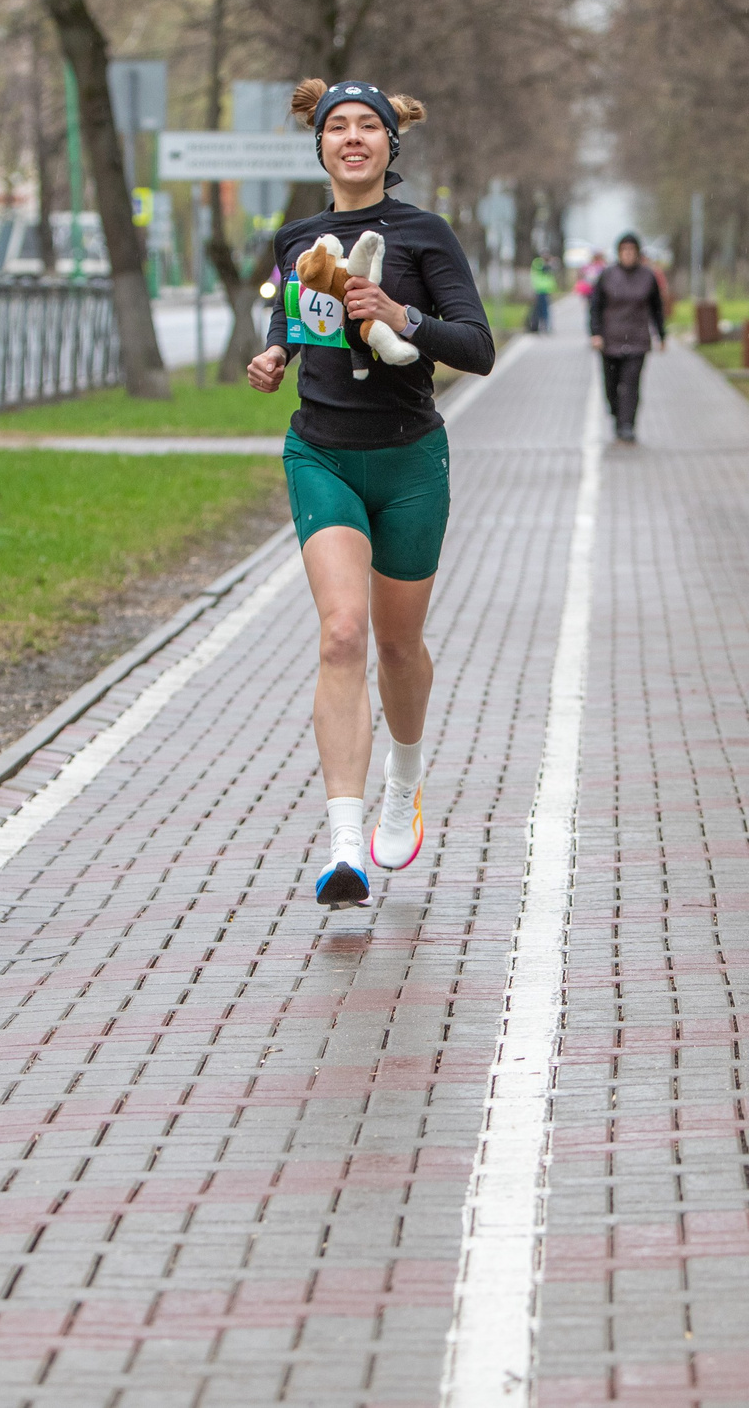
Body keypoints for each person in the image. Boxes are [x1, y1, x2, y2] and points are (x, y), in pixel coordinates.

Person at [247, 80, 495, 908]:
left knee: (397, 645)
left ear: (392, 145)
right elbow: (293, 322)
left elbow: (479, 346)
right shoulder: (297, 238)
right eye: (338, 128)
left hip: (408, 456)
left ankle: (405, 778)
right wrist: (274, 357)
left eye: (368, 128)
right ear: (319, 145)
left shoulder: (424, 234)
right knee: (342, 632)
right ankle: (344, 844)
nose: (352, 139)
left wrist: (402, 314)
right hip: (322, 450)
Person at [589, 231, 666, 443]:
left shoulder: (647, 277)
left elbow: (657, 308)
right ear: (619, 252)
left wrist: (661, 335)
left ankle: (627, 425)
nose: (628, 254)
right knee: (611, 386)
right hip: (610, 340)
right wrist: (596, 333)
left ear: (638, 253)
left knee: (631, 385)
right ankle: (616, 413)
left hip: (637, 340)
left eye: (632, 250)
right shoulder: (607, 275)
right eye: (624, 250)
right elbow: (595, 306)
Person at [526, 256, 556, 333]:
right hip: (539, 290)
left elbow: (550, 277)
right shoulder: (538, 263)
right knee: (541, 310)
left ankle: (545, 325)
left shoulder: (547, 266)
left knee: (545, 309)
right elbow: (543, 269)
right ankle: (540, 326)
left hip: (546, 291)